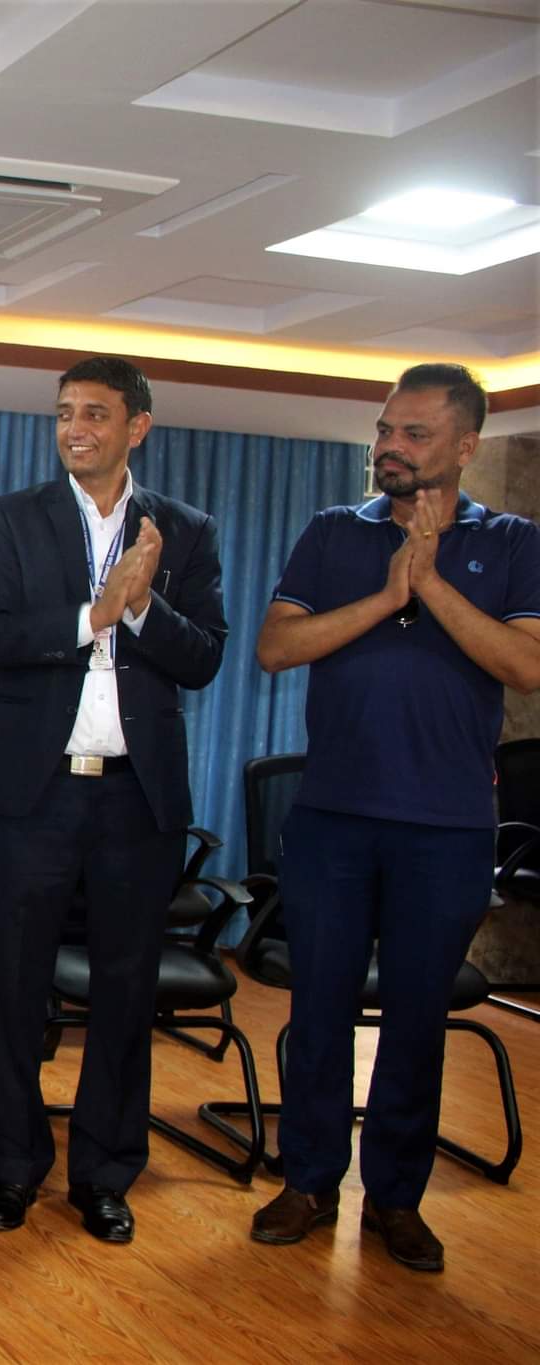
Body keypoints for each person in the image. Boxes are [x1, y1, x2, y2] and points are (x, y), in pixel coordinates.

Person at [249, 364, 538, 1272]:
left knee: (417, 1019)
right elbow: (276, 647)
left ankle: (397, 1198)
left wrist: (431, 580)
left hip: (448, 830)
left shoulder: (515, 542)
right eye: (385, 430)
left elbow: (527, 667)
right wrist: (385, 595)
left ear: (466, 445)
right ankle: (307, 1181)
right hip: (333, 819)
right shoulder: (335, 531)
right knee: (320, 1008)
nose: (391, 447)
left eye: (415, 433)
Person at [0, 355, 227, 1243]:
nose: (75, 428)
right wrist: (94, 616)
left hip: (135, 801)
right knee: (16, 988)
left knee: (124, 991)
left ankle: (106, 1174)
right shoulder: (11, 517)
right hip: (31, 794)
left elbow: (206, 657)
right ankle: (10, 1166)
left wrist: (144, 609)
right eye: (65, 412)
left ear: (137, 426)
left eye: (96, 413)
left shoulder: (184, 530)